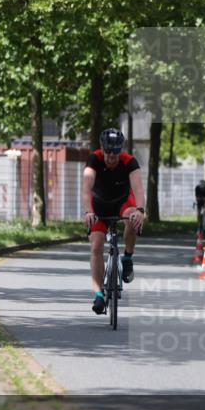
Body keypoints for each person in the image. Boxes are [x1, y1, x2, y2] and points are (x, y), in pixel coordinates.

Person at [82, 129, 146, 315]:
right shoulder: (94, 160)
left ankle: (127, 258)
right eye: (108, 152)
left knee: (133, 217)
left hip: (122, 203)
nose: (111, 157)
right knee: (96, 245)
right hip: (99, 206)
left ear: (120, 150)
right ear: (102, 148)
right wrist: (88, 211)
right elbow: (86, 189)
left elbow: (139, 189)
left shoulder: (129, 162)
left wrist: (141, 210)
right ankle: (99, 295)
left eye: (115, 153)